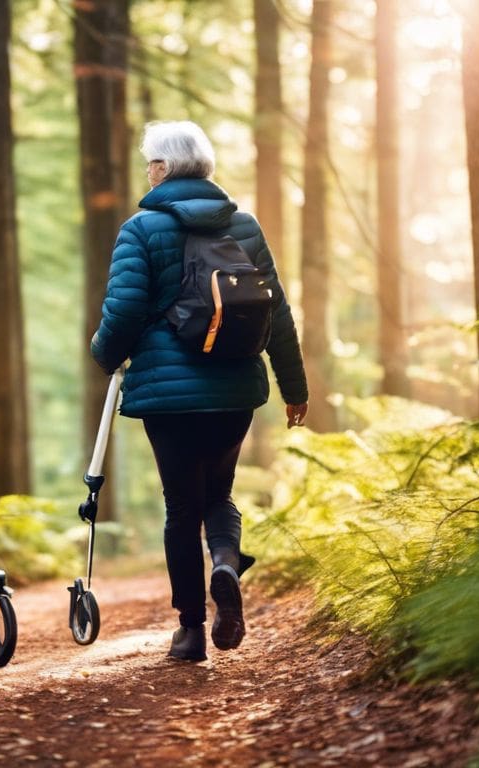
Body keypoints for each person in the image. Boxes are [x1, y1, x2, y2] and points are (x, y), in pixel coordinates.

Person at [90, 120, 309, 662]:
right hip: (235, 390)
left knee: (181, 506)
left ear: (163, 168)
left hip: (169, 398)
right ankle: (227, 565)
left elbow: (123, 312)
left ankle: (190, 631)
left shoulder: (140, 230)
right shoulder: (246, 226)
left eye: (149, 162)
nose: (147, 171)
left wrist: (103, 353)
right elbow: (276, 311)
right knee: (219, 495)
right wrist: (294, 387)